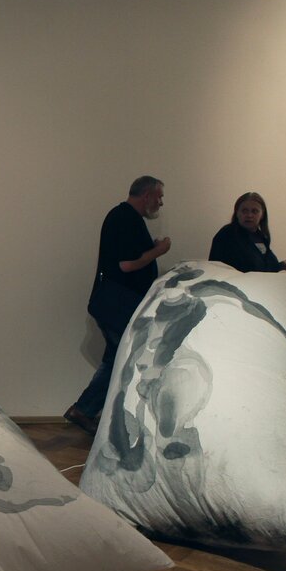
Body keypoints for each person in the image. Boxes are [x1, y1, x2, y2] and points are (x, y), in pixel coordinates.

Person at [65, 176, 171, 435]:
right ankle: (87, 410)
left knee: (116, 358)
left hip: (115, 304)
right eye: (159, 196)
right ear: (146, 195)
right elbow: (126, 265)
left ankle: (86, 410)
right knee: (120, 360)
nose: (160, 203)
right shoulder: (124, 218)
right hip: (117, 305)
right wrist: (159, 251)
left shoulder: (126, 217)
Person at [208, 191, 286, 274]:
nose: (249, 215)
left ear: (262, 214)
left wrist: (281, 266)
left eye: (254, 211)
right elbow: (217, 268)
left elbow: (263, 268)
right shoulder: (227, 234)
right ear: (237, 213)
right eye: (244, 211)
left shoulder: (262, 237)